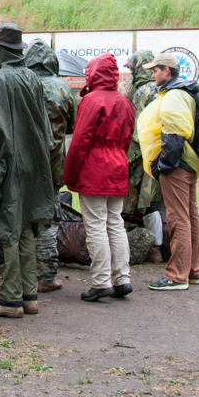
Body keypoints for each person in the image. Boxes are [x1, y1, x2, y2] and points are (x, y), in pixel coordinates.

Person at [0, 24, 54, 318]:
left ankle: (9, 300)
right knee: (27, 226)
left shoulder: (2, 79)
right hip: (34, 165)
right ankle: (29, 296)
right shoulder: (31, 77)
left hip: (9, 166)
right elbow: (44, 127)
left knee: (6, 229)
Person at [62, 54, 137, 301]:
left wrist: (70, 174)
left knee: (95, 225)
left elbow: (80, 140)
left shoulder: (91, 101)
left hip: (94, 168)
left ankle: (101, 282)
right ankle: (122, 278)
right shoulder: (125, 102)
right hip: (117, 167)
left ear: (93, 74)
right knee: (115, 223)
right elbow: (126, 140)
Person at [136, 53, 199, 291]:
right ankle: (194, 270)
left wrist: (163, 166)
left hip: (176, 165)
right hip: (188, 163)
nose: (152, 73)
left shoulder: (174, 95)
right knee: (190, 216)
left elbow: (174, 133)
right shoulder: (186, 92)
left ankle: (177, 275)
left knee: (178, 218)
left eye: (155, 70)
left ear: (167, 71)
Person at [23, 39, 78, 293]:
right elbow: (72, 127)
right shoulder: (63, 89)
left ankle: (22, 273)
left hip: (22, 163)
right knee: (49, 218)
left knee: (21, 217)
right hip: (53, 165)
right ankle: (47, 275)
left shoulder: (21, 83)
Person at [120, 50, 162, 220]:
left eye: (132, 71)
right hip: (166, 155)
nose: (131, 75)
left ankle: (151, 243)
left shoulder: (143, 92)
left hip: (145, 156)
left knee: (143, 203)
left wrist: (129, 160)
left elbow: (137, 134)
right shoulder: (165, 88)